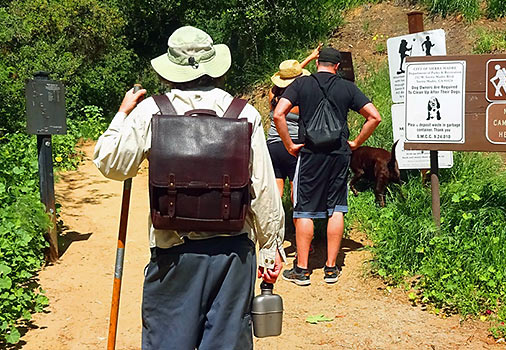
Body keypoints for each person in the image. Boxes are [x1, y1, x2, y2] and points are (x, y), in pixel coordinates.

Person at [93, 26, 286, 350]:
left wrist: (122, 113)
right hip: (233, 257)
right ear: (214, 66)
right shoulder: (245, 114)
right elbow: (264, 189)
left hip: (173, 257)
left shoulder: (150, 111)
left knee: (167, 342)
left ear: (171, 69)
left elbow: (111, 164)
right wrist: (270, 248)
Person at [273, 47, 381, 286]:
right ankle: (331, 268)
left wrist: (290, 145)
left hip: (310, 153)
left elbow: (278, 114)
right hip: (339, 154)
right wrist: (355, 142)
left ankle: (302, 270)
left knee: (304, 209)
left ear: (317, 63)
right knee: (336, 208)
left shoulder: (302, 85)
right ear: (337, 66)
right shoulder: (347, 87)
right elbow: (374, 117)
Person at [267, 46, 320, 199]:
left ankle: (275, 221)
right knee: (295, 187)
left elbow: (289, 77)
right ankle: (296, 219)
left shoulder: (273, 93)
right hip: (293, 145)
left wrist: (309, 58)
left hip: (272, 145)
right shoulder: (298, 99)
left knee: (277, 188)